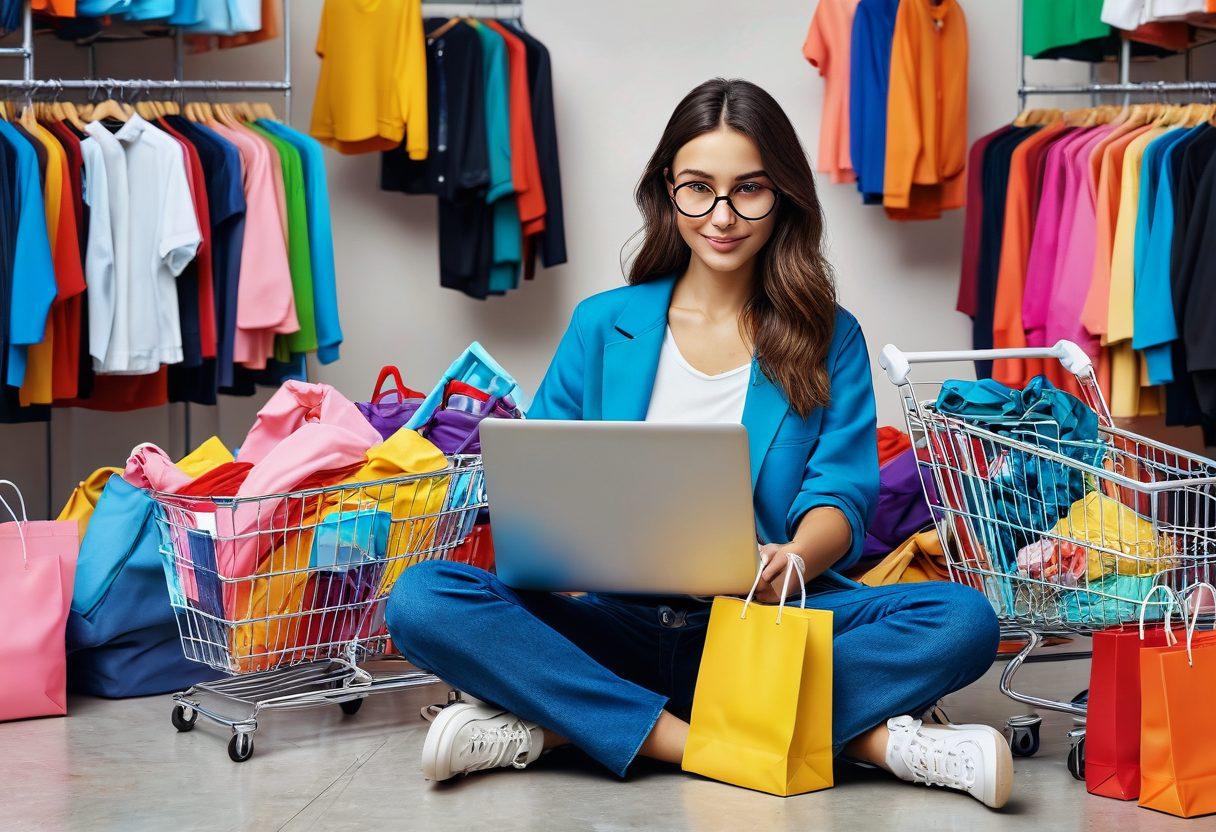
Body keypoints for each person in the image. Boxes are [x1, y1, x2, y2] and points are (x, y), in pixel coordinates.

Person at [386, 78, 1011, 808]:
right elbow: (539, 480)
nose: (722, 216)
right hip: (614, 619)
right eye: (697, 189)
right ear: (666, 193)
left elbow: (843, 493)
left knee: (964, 621)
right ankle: (827, 743)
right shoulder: (602, 324)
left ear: (782, 196)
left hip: (765, 622)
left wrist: (793, 560)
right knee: (423, 598)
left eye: (748, 189)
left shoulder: (827, 335)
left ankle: (560, 728)